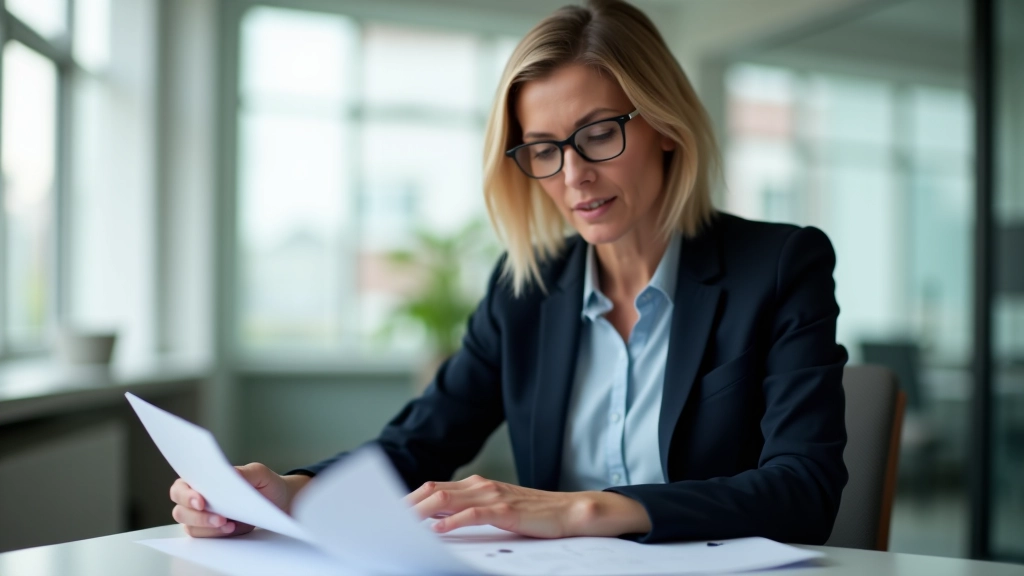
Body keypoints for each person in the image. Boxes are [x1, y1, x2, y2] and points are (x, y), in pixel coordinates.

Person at [170, 0, 848, 544]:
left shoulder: (781, 266)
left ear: (665, 126)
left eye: (600, 133)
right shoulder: (528, 288)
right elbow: (418, 445)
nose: (574, 175)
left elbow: (803, 490)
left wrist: (580, 510)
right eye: (545, 150)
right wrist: (288, 490)